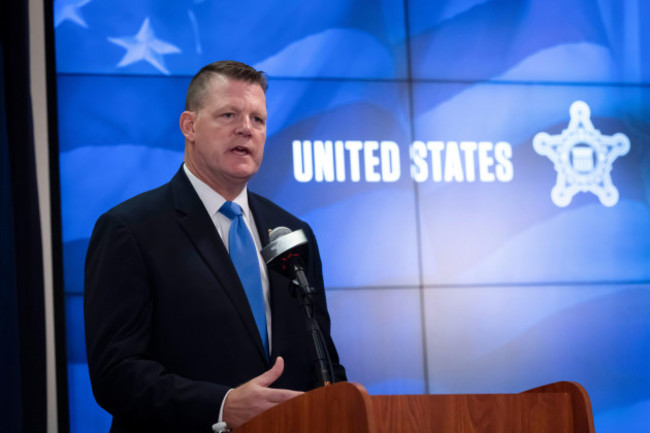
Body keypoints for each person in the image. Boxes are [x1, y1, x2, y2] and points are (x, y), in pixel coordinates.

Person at [84, 60, 347, 433]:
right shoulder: (130, 229)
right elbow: (115, 373)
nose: (246, 128)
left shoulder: (291, 233)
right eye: (229, 114)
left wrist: (341, 402)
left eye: (258, 119)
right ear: (189, 126)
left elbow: (322, 360)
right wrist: (222, 405)